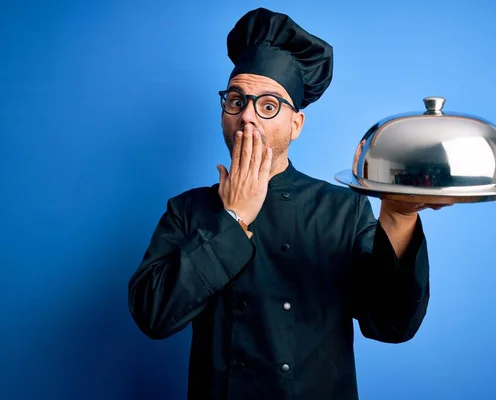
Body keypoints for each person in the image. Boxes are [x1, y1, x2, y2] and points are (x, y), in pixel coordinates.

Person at [128, 7, 444, 400]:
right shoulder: (188, 211)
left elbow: (392, 325)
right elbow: (152, 315)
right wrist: (233, 217)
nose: (247, 117)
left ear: (295, 124)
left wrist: (398, 215)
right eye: (236, 100)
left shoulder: (342, 210)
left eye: (268, 105)